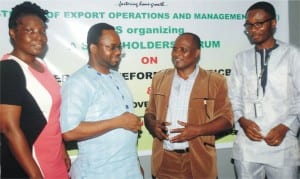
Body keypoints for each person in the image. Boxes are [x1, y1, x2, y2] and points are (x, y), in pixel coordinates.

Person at [144, 32, 234, 179]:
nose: (177, 54)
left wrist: (198, 130)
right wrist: (152, 124)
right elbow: (149, 112)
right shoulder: (159, 78)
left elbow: (227, 121)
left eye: (183, 50)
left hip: (199, 161)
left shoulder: (216, 81)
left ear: (197, 53)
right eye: (175, 49)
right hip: (165, 162)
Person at [60, 22, 143, 179]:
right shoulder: (78, 82)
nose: (118, 51)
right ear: (93, 48)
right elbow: (69, 131)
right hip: (97, 173)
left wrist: (136, 164)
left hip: (129, 170)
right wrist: (118, 122)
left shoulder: (118, 77)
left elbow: (128, 127)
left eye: (119, 47)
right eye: (111, 47)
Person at [228, 1, 300, 179]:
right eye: (249, 25)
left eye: (258, 24)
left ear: (273, 23)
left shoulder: (292, 54)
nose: (252, 29)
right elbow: (233, 97)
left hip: (282, 143)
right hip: (247, 145)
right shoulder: (241, 59)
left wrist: (286, 126)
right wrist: (242, 121)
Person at [0, 1, 70, 178]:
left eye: (42, 31)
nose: (38, 37)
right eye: (30, 31)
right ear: (13, 33)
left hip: (54, 160)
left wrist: (61, 148)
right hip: (31, 166)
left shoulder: (41, 64)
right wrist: (35, 174)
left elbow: (52, 115)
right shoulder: (9, 69)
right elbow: (8, 128)